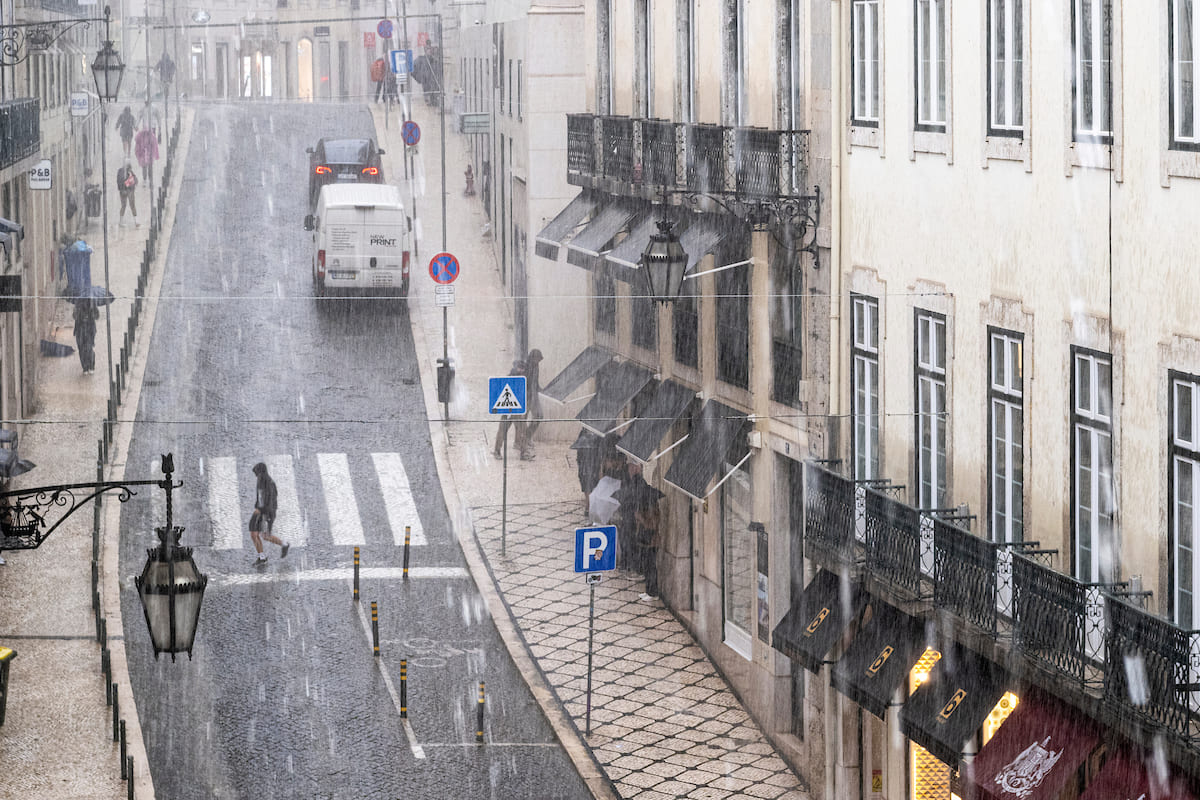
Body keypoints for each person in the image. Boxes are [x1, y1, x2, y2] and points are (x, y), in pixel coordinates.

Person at [250, 462, 289, 566]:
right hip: (263, 512)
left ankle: (283, 544)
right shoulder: (263, 481)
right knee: (255, 534)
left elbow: (268, 499)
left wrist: (262, 511)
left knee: (264, 535)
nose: (256, 476)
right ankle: (262, 556)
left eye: (257, 474)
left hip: (266, 513)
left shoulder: (267, 483)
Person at [493, 357, 532, 460]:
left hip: (517, 410)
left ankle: (523, 453)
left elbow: (526, 394)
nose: (521, 370)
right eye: (520, 368)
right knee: (503, 430)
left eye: (522, 369)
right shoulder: (510, 378)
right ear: (516, 368)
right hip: (508, 410)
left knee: (522, 430)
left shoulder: (523, 379)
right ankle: (497, 451)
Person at [634, 498, 661, 600]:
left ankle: (653, 593)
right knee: (646, 566)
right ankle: (648, 590)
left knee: (651, 567)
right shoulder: (645, 509)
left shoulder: (654, 512)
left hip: (652, 543)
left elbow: (651, 526)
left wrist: (641, 518)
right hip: (645, 543)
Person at [73, 299, 98, 375]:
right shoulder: (77, 302)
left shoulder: (92, 301)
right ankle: (85, 367)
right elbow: (74, 316)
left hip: (89, 329)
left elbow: (97, 315)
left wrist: (91, 312)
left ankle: (91, 366)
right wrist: (79, 313)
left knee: (89, 348)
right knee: (81, 349)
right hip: (80, 329)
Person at [116, 162, 138, 227]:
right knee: (126, 205)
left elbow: (135, 178)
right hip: (126, 191)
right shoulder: (122, 173)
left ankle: (135, 221)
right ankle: (122, 221)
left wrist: (134, 182)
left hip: (129, 190)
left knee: (129, 205)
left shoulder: (129, 172)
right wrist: (123, 189)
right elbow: (120, 182)